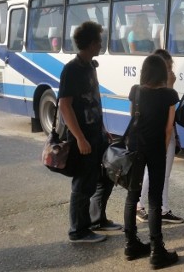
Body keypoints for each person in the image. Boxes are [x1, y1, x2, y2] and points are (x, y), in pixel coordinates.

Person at [58, 21, 121, 243]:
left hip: (97, 134)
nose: (101, 45)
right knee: (83, 183)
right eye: (100, 41)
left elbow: (94, 101)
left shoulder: (90, 66)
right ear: (92, 43)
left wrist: (103, 129)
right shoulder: (71, 69)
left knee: (105, 177)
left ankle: (97, 219)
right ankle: (78, 230)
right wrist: (80, 138)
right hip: (82, 137)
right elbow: (65, 106)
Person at [124, 54, 179, 268]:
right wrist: (163, 151)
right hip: (156, 149)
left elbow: (133, 119)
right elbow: (168, 129)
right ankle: (157, 251)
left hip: (135, 148)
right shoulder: (170, 95)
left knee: (132, 196)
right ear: (162, 73)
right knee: (155, 199)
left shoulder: (135, 91)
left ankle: (131, 245)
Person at [136, 49, 184, 225]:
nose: (171, 72)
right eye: (168, 68)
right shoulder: (166, 92)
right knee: (160, 175)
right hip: (161, 139)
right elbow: (167, 119)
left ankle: (160, 207)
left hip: (148, 140)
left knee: (161, 174)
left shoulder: (140, 90)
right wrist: (164, 145)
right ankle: (146, 206)